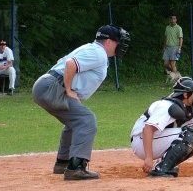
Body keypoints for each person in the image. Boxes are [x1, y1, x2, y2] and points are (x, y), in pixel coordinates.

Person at [32, 25, 130, 181]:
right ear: (109, 42)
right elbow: (70, 64)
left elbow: (61, 61)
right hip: (53, 88)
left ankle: (63, 163)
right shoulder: (98, 53)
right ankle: (76, 167)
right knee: (86, 120)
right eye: (119, 42)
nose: (121, 46)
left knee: (75, 121)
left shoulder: (91, 49)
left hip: (48, 86)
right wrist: (69, 90)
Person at [162, 15, 183, 81]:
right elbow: (165, 38)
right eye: (171, 19)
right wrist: (164, 47)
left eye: (174, 19)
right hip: (167, 48)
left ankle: (178, 80)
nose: (173, 20)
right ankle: (177, 74)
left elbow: (181, 38)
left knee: (173, 64)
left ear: (176, 20)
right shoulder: (167, 27)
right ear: (170, 20)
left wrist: (179, 48)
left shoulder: (178, 28)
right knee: (165, 64)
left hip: (175, 48)